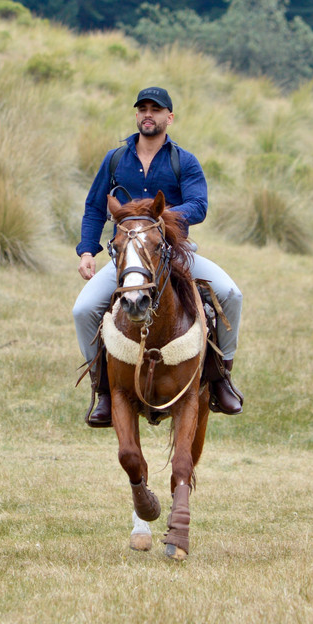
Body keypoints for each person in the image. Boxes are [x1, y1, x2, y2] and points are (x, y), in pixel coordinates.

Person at [73, 86, 244, 427]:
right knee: (83, 310)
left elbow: (199, 206)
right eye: (142, 109)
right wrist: (87, 251)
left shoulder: (185, 160)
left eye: (156, 109)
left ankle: (222, 376)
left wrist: (155, 217)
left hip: (173, 252)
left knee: (230, 294)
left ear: (169, 117)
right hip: (128, 258)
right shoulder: (115, 160)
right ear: (137, 115)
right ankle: (104, 389)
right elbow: (95, 207)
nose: (148, 114)